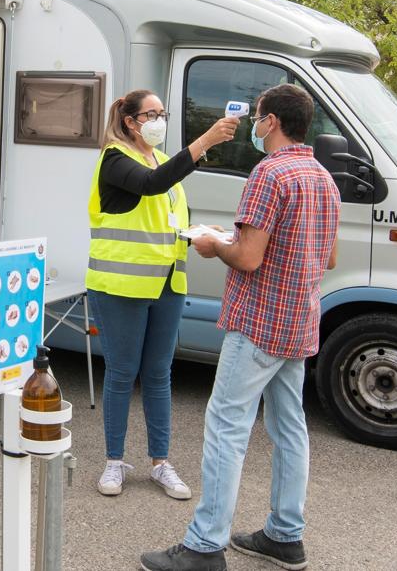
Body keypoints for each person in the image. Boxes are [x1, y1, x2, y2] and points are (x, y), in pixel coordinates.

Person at [141, 84, 340, 571]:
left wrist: (214, 245)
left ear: (270, 122)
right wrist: (245, 241)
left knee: (227, 427)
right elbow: (328, 255)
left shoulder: (269, 174)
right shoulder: (322, 177)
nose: (254, 124)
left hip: (258, 321)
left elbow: (249, 258)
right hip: (299, 320)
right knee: (289, 427)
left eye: (257, 116)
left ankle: (205, 545)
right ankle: (284, 535)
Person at [86, 89, 239, 501]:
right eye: (150, 114)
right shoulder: (115, 159)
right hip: (121, 285)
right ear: (130, 121)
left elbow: (165, 219)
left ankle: (160, 463)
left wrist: (198, 234)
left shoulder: (157, 159)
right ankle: (114, 461)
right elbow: (150, 187)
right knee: (122, 373)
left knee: (158, 374)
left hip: (167, 283)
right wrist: (205, 141)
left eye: (162, 113)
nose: (158, 120)